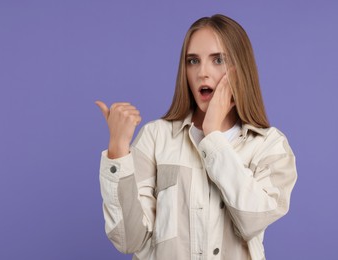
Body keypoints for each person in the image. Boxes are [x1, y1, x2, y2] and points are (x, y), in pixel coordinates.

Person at [95, 14, 297, 260]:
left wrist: (213, 136)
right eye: (193, 61)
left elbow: (252, 220)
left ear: (240, 68)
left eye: (218, 59)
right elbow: (130, 240)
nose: (203, 72)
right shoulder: (156, 137)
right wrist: (118, 151)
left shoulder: (269, 145)